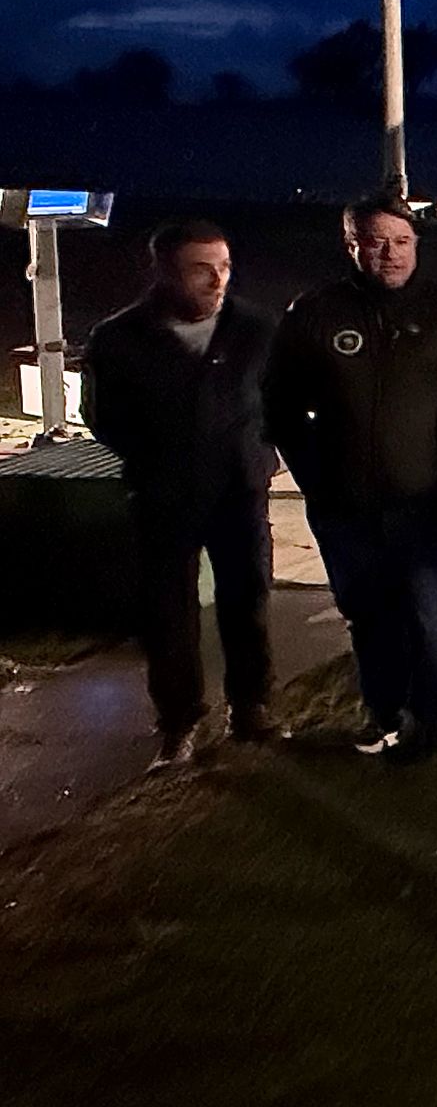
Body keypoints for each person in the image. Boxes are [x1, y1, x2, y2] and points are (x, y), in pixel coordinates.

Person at [262, 191, 437, 760]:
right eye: (377, 243)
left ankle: (436, 724)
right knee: (367, 614)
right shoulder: (315, 313)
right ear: (352, 245)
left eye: (402, 242)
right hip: (345, 506)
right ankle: (385, 717)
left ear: (416, 245)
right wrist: (315, 475)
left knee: (432, 616)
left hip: (429, 503)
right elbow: (279, 405)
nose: (391, 254)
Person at [83, 221, 279, 769]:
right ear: (165, 272)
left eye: (225, 267)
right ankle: (179, 721)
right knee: (167, 613)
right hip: (164, 496)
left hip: (240, 493)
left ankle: (252, 708)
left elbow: (285, 401)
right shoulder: (118, 338)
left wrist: (264, 456)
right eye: (201, 269)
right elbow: (102, 416)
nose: (218, 281)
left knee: (248, 601)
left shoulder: (257, 330)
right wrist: (159, 456)